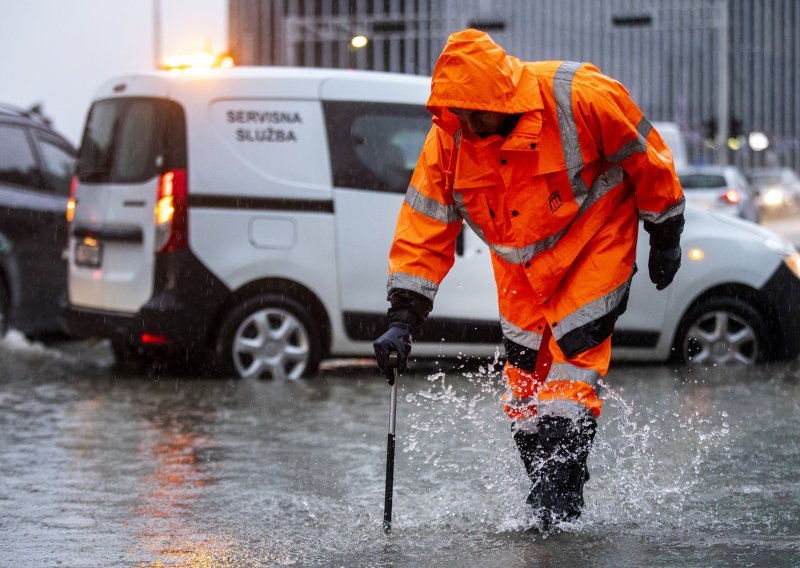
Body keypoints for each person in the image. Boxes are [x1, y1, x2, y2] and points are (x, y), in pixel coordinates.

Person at [373, 29, 684, 530]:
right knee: (524, 387)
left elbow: (645, 156)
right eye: (460, 114)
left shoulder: (580, 95)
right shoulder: (451, 137)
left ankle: (557, 507)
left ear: (502, 96)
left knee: (573, 366)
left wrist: (665, 228)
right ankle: (552, 497)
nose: (469, 126)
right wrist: (402, 317)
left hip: (595, 244)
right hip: (521, 269)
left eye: (477, 113)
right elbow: (425, 225)